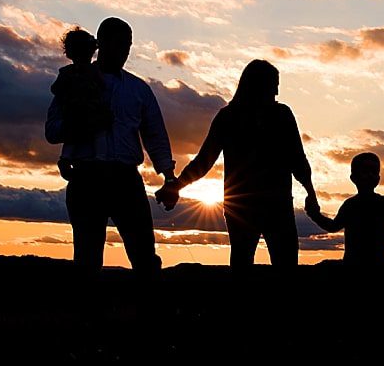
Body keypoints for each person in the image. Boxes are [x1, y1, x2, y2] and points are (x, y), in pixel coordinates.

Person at [45, 17, 176, 279]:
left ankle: (152, 316)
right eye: (119, 44)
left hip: (126, 179)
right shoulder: (72, 81)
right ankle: (89, 319)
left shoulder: (139, 90)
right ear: (100, 44)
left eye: (128, 45)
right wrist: (81, 125)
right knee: (87, 260)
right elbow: (52, 131)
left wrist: (169, 177)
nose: (125, 51)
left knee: (144, 256)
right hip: (86, 177)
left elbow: (155, 135)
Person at [156, 59, 316, 267]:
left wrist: (175, 185)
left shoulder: (266, 115)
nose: (277, 91)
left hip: (265, 205)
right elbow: (204, 161)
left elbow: (298, 160)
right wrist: (176, 185)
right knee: (258, 265)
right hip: (255, 206)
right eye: (274, 84)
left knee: (267, 265)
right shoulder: (238, 117)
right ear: (259, 85)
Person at [304, 152, 384, 264]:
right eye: (365, 171)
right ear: (353, 178)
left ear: (378, 178)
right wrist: (314, 215)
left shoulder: (383, 204)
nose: (370, 175)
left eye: (374, 172)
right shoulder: (351, 205)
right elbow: (333, 227)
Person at [50, 27, 112, 180]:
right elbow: (56, 89)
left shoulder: (82, 72)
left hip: (85, 109)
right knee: (84, 132)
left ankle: (95, 159)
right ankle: (97, 159)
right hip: (78, 110)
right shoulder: (74, 72)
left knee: (93, 131)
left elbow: (102, 86)